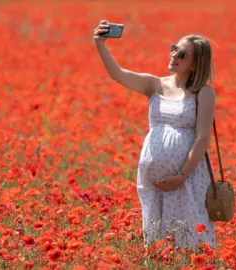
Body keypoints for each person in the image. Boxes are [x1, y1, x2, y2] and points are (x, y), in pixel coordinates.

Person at [93, 20, 218, 250]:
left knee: (189, 241)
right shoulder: (155, 85)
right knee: (159, 243)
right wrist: (100, 45)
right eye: (173, 48)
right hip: (154, 183)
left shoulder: (204, 92)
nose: (174, 55)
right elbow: (118, 74)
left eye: (181, 54)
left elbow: (202, 139)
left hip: (187, 180)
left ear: (195, 63)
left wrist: (180, 176)